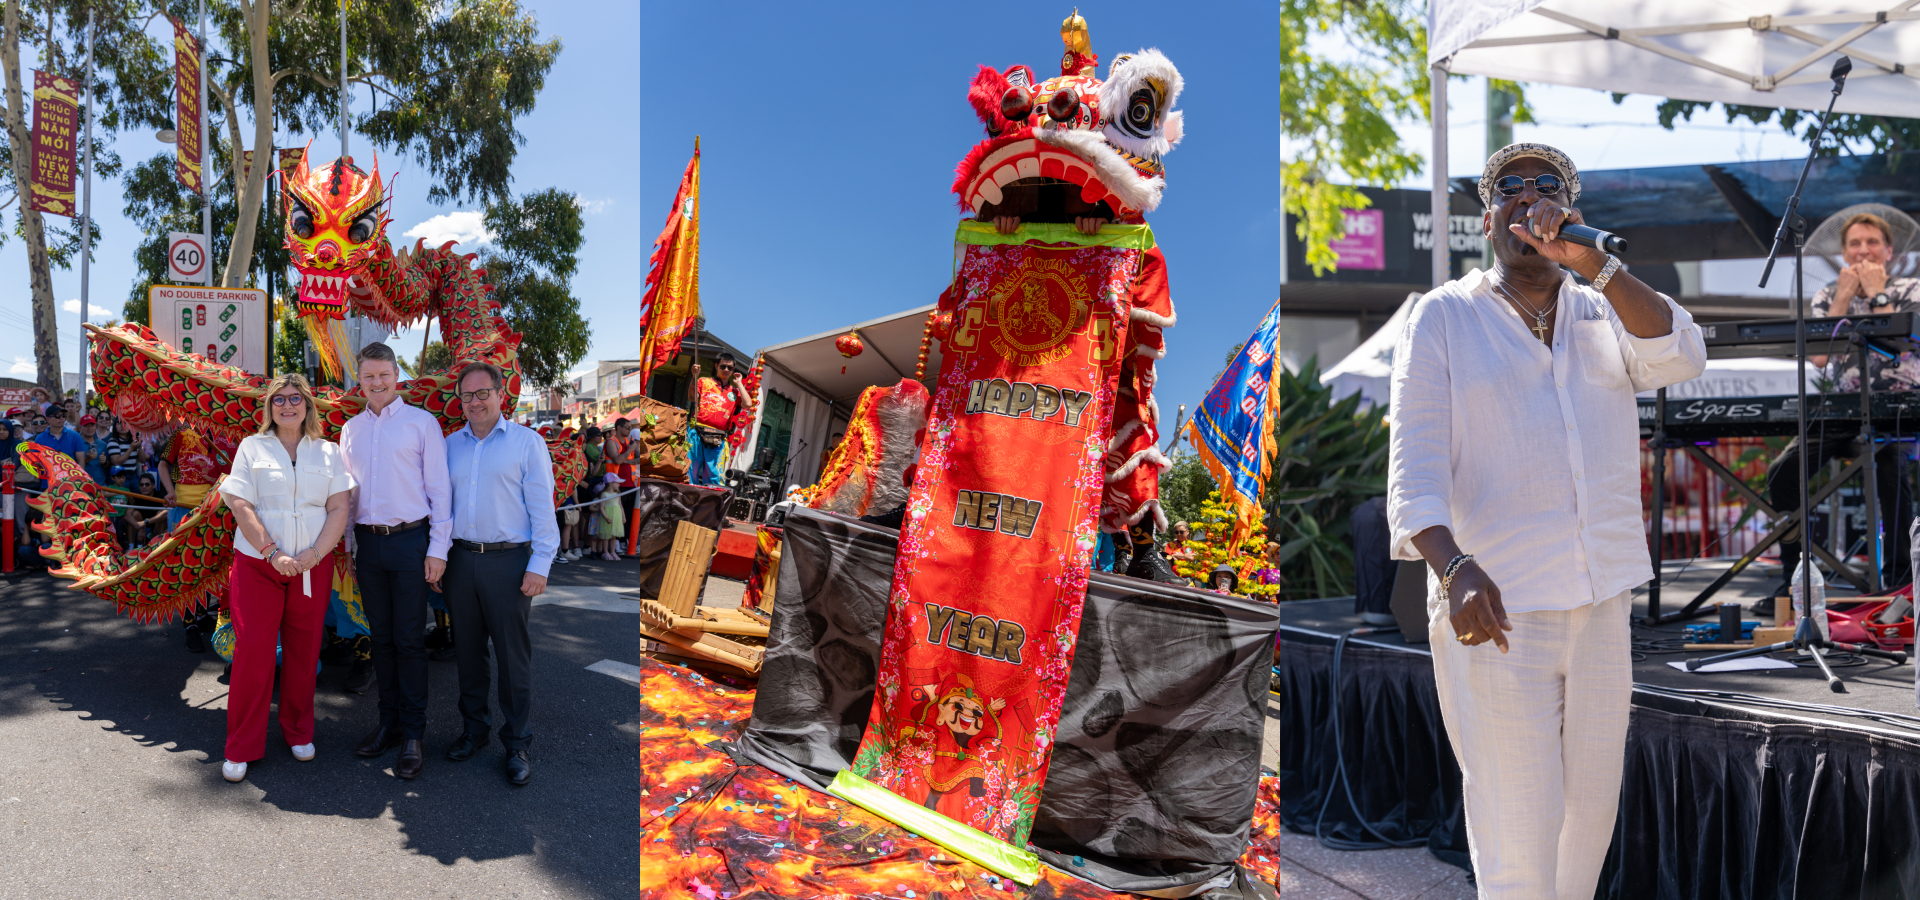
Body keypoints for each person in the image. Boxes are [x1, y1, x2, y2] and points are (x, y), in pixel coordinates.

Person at [1386, 143, 1706, 898]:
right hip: (1498, 608)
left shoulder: (1605, 304)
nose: (1528, 201)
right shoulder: (1443, 317)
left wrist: (1594, 264)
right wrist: (1454, 568)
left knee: (1589, 816)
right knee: (1516, 824)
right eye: (1510, 190)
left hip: (1601, 603)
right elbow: (1415, 469)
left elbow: (1681, 351)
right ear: (1487, 216)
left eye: (1547, 189)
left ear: (1572, 210)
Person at [1757, 211, 1920, 615]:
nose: (1863, 250)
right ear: (1844, 252)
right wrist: (1846, 297)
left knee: (1890, 464)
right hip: (1844, 408)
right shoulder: (1829, 295)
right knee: (1783, 469)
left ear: (1889, 250)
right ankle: (1797, 579)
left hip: (1899, 408)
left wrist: (1878, 294)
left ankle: (1900, 581)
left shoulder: (1911, 288)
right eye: (1854, 244)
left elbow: (1900, 346)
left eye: (1871, 242)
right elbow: (1817, 356)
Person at [214, 374, 355, 783]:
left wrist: (312, 554)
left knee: (304, 650)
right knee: (254, 652)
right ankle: (240, 745)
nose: (287, 406)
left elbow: (338, 508)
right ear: (270, 407)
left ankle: (298, 731)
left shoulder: (328, 452)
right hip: (259, 565)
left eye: (296, 398)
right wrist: (272, 552)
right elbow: (240, 503)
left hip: (312, 565)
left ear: (308, 405)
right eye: (279, 399)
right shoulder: (251, 447)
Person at [439, 361, 557, 786]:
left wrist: (539, 565)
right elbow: (440, 508)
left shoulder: (527, 443)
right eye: (466, 395)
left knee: (512, 658)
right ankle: (474, 731)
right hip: (460, 560)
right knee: (468, 654)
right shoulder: (449, 445)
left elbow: (544, 508)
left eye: (482, 393)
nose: (474, 402)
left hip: (509, 562)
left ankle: (517, 741)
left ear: (500, 394)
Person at [341, 342, 452, 780]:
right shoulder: (350, 430)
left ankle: (414, 734)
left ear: (396, 375)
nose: (377, 383)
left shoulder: (422, 424)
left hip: (411, 542)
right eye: (368, 376)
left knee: (409, 641)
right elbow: (348, 497)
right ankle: (388, 723)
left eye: (384, 374)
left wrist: (437, 550)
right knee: (381, 640)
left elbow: (440, 491)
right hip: (368, 546)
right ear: (360, 381)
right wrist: (349, 546)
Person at [686, 353, 753, 487]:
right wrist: (694, 376)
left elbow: (748, 404)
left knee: (714, 475)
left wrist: (739, 383)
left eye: (730, 367)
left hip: (718, 436)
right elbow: (692, 398)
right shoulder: (704, 381)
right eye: (723, 366)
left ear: (734, 370)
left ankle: (709, 504)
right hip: (697, 432)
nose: (726, 370)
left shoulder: (734, 390)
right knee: (690, 469)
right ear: (716, 366)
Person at [604, 418, 640, 552]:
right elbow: (617, 460)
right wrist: (629, 450)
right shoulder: (611, 442)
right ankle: (616, 543)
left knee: (628, 516)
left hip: (631, 484)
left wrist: (627, 461)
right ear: (619, 427)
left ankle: (626, 542)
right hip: (615, 484)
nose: (629, 430)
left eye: (630, 428)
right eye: (627, 427)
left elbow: (638, 458)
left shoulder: (629, 441)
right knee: (616, 515)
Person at [594, 472, 626, 561]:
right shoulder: (604, 494)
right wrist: (606, 517)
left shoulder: (617, 494)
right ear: (611, 483)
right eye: (617, 483)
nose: (619, 484)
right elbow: (602, 507)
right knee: (606, 535)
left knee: (613, 535)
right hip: (608, 516)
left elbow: (620, 505)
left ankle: (613, 552)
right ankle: (605, 552)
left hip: (616, 515)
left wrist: (623, 516)